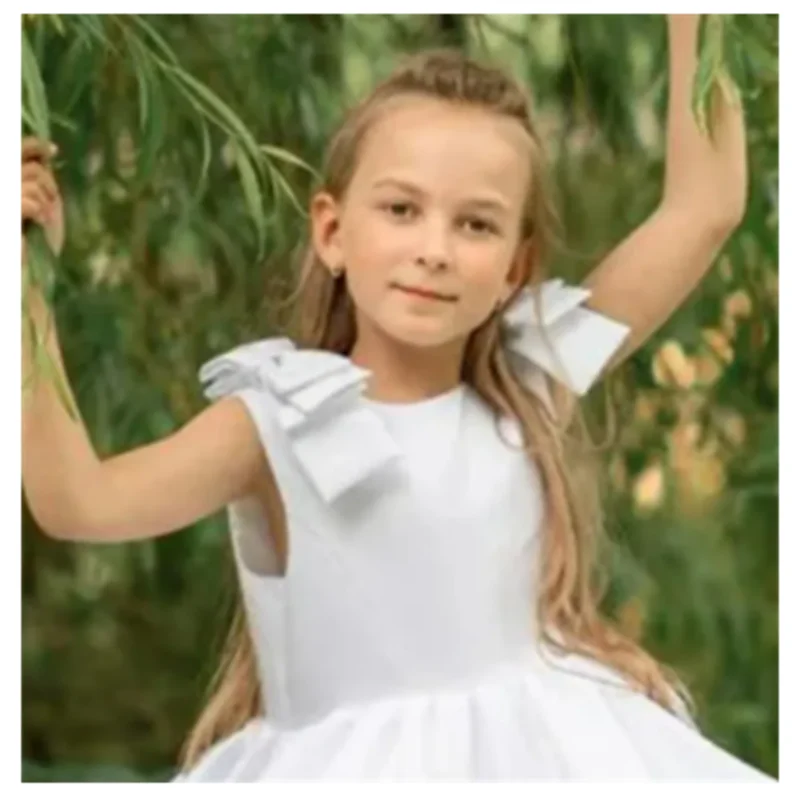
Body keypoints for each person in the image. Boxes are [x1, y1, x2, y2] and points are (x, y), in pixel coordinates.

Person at [22, 15, 773, 781]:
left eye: (475, 223)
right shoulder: (276, 423)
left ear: (515, 267)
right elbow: (77, 502)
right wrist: (25, 297)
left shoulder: (529, 384)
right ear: (332, 231)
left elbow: (703, 209)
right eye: (401, 209)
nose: (434, 249)